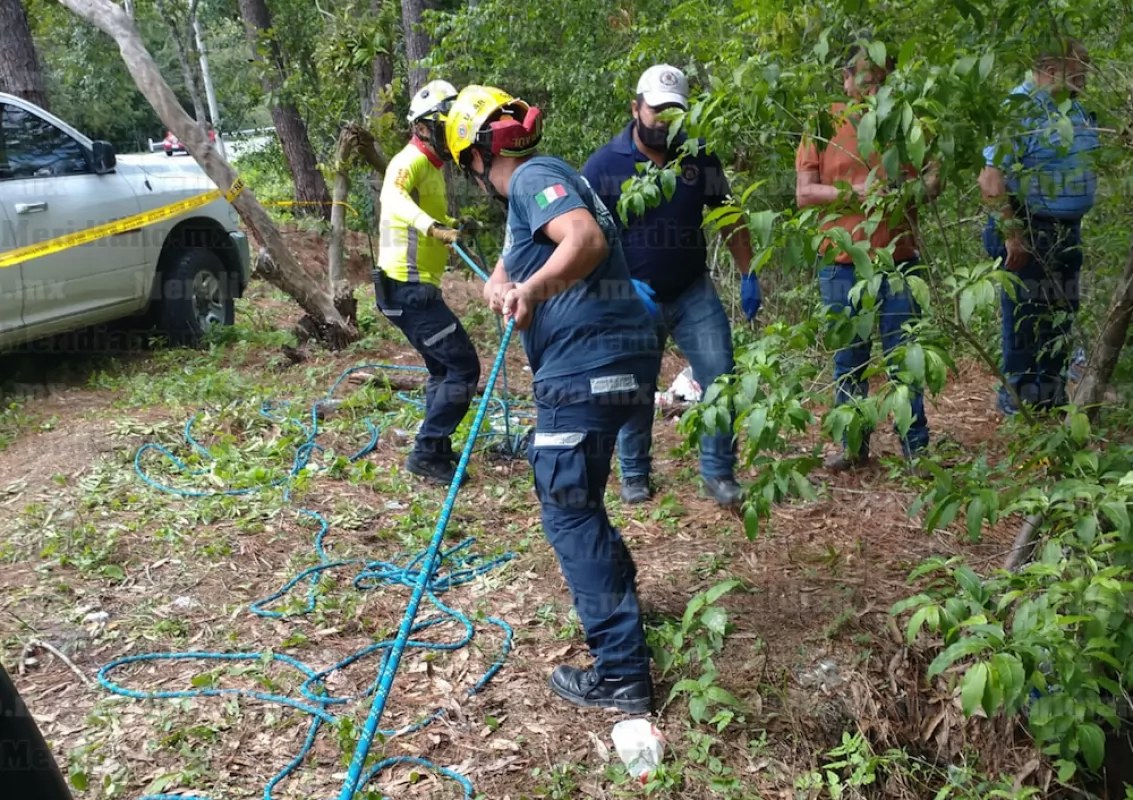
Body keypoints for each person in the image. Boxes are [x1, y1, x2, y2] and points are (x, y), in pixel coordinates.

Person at [445, 84, 660, 713]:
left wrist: (532, 289)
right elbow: (541, 251)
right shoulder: (546, 185)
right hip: (622, 360)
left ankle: (622, 673)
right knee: (581, 496)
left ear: (478, 157)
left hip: (584, 366)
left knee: (567, 505)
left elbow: (583, 241)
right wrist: (506, 278)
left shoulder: (535, 177)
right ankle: (621, 596)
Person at [582, 64, 759, 507]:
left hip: (691, 290)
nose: (663, 121)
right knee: (633, 386)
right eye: (656, 111)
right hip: (631, 295)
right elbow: (583, 236)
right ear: (636, 108)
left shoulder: (698, 157)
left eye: (673, 112)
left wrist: (748, 272)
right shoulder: (604, 164)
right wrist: (606, 288)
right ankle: (635, 473)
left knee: (720, 374)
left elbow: (729, 216)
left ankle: (719, 474)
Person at [795, 43, 938, 470]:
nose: (874, 87)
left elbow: (933, 178)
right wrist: (855, 192)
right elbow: (804, 193)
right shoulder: (822, 123)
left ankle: (916, 448)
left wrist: (911, 191)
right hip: (842, 262)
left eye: (881, 78)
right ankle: (853, 446)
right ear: (845, 79)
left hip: (899, 260)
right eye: (865, 78)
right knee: (849, 356)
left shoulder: (907, 120)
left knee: (905, 356)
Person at [979, 37, 1099, 414]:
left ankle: (1049, 400)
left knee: (1061, 317)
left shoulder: (1074, 108)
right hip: (1030, 229)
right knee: (1027, 321)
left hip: (1067, 230)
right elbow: (991, 178)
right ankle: (1019, 407)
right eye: (1077, 76)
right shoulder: (1021, 108)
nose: (1083, 84)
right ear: (1051, 71)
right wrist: (1012, 235)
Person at [373, 80, 481, 485]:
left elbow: (424, 214)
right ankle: (426, 451)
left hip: (416, 288)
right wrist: (432, 226)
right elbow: (394, 198)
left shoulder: (434, 167)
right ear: (424, 127)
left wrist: (453, 227)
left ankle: (434, 451)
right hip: (406, 287)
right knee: (463, 367)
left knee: (442, 368)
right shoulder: (409, 160)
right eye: (443, 124)